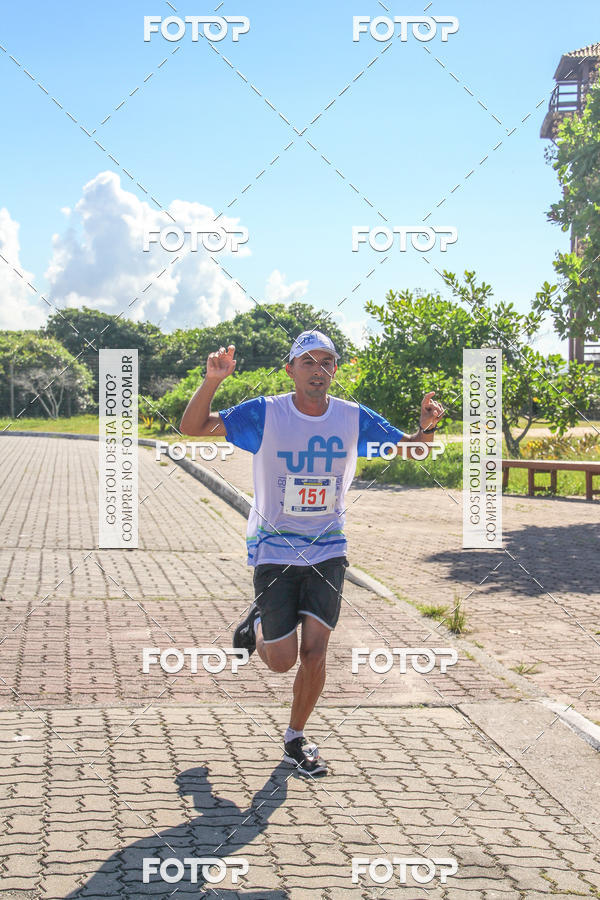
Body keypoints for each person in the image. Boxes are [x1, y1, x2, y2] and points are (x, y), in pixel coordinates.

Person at [180, 330, 445, 775]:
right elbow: (192, 428)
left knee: (316, 653)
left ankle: (295, 738)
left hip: (328, 550)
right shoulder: (266, 413)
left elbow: (413, 449)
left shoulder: (352, 417)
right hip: (275, 550)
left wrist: (428, 427)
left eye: (326, 362)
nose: (318, 371)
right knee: (281, 661)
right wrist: (213, 381)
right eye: (308, 362)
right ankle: (258, 624)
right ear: (290, 370)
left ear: (335, 370)